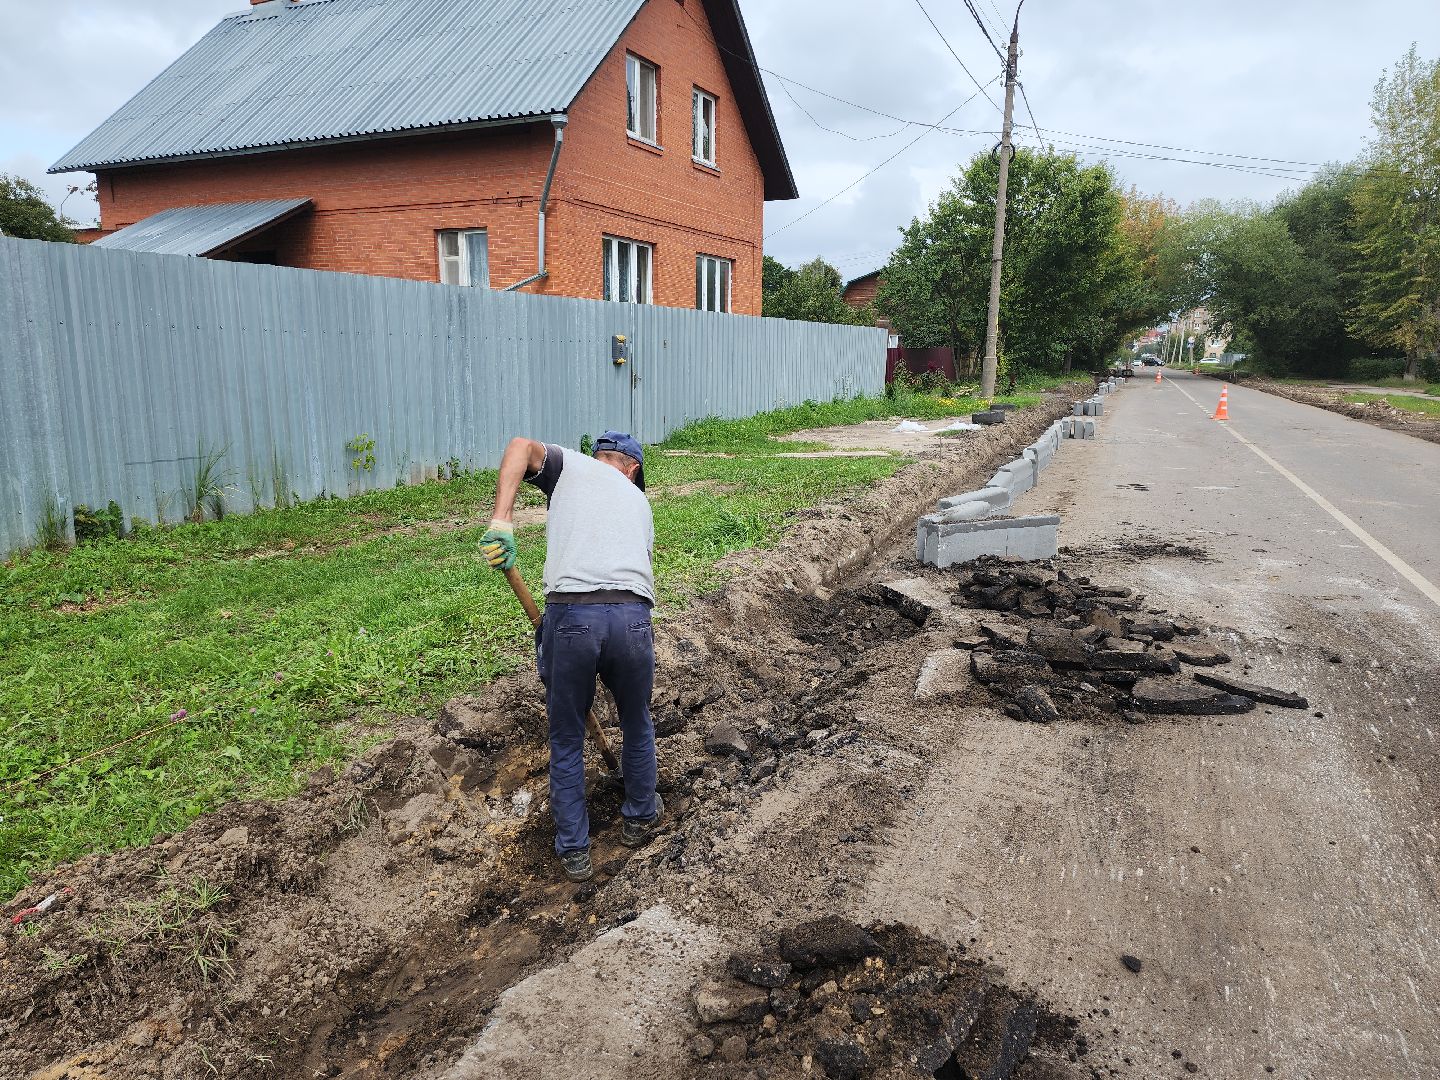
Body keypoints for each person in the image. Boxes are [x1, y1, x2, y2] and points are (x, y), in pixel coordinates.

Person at [479, 431, 663, 882]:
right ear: (633, 470)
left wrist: (502, 519)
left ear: (600, 457)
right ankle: (640, 816)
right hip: (633, 617)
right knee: (637, 719)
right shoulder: (641, 505)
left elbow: (520, 446)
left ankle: (575, 850)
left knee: (565, 736)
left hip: (573, 615)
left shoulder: (571, 468)